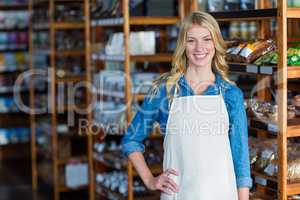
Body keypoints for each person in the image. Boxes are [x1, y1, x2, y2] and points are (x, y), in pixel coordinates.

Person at [121, 11, 252, 200]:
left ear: (216, 43)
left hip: (222, 193)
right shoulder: (165, 90)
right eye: (191, 40)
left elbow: (241, 160)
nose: (200, 47)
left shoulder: (231, 95)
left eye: (207, 39)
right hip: (178, 194)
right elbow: (131, 139)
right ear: (183, 44)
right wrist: (150, 181)